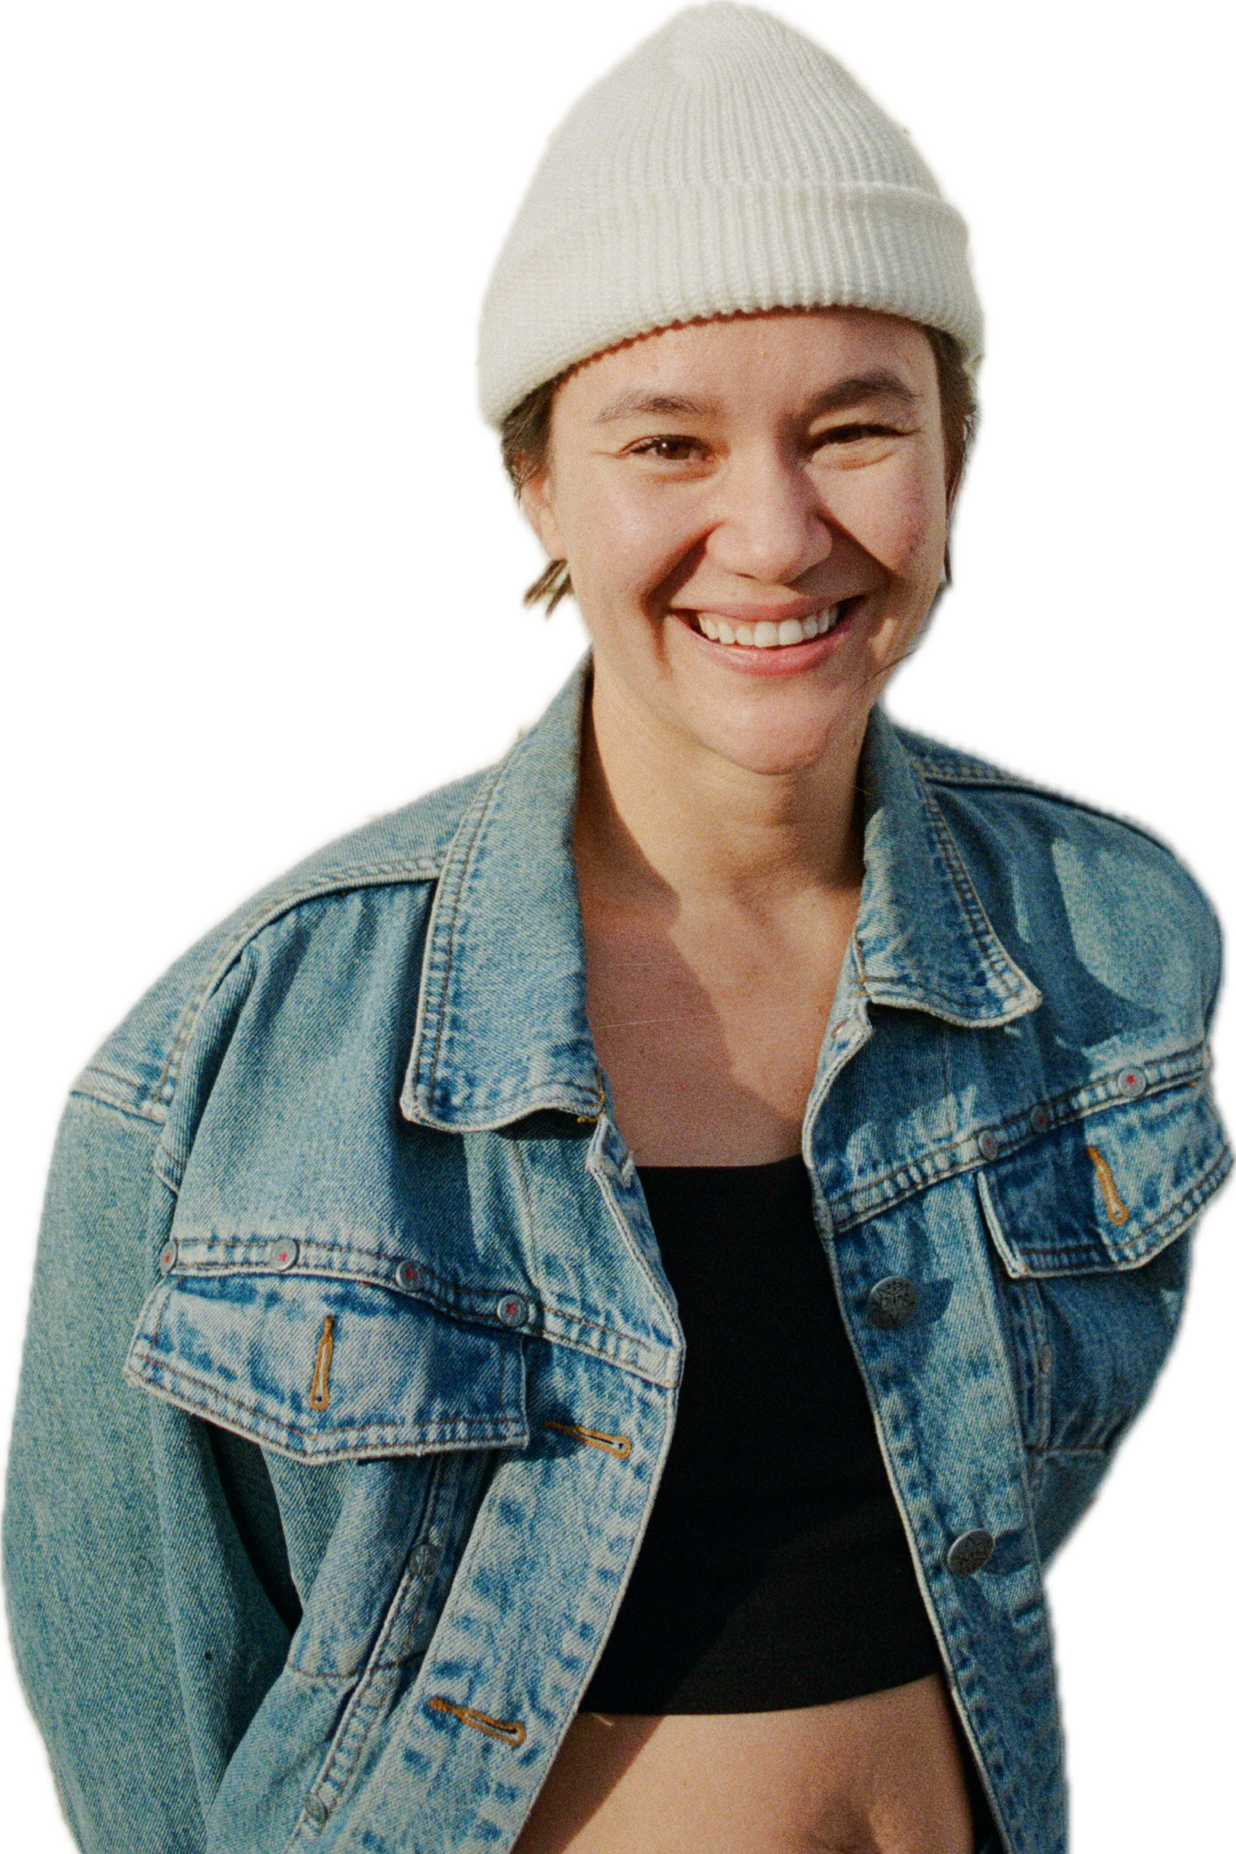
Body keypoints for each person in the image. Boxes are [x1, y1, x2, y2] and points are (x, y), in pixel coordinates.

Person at [1, 4, 1231, 1852]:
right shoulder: (225, 1062)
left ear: (961, 446)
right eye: (668, 444)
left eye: (853, 428)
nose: (775, 529)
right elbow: (144, 1731)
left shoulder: (1117, 930)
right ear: (535, 486)